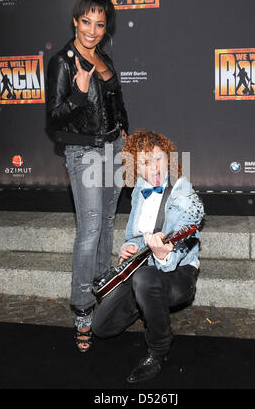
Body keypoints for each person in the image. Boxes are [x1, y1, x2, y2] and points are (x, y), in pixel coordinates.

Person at [46, 0, 129, 353]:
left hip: (114, 148)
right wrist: (79, 93)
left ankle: (102, 286)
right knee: (90, 227)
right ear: (75, 21)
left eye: (100, 24)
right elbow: (54, 119)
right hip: (85, 151)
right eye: (86, 22)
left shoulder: (103, 56)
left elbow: (115, 98)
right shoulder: (62, 62)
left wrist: (125, 129)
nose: (92, 30)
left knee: (107, 220)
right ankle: (82, 309)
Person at [92, 130, 204, 384]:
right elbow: (134, 236)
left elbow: (182, 244)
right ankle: (147, 302)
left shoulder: (183, 194)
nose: (154, 168)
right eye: (144, 162)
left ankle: (159, 349)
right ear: (135, 167)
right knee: (102, 328)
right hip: (144, 268)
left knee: (144, 279)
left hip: (179, 274)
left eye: (158, 159)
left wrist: (165, 254)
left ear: (169, 158)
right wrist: (128, 249)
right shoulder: (139, 190)